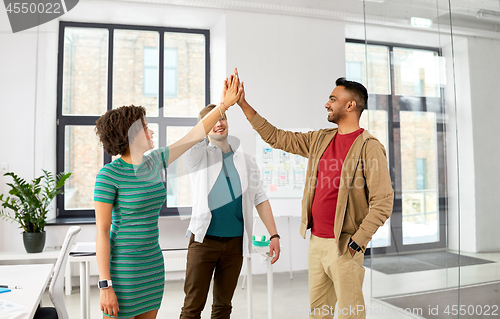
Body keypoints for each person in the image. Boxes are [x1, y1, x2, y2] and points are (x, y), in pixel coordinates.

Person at [236, 75, 394, 319]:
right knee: (318, 313)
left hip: (344, 245)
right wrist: (243, 104)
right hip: (317, 242)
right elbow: (277, 137)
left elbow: (383, 202)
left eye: (333, 99)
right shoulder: (321, 138)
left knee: (350, 314)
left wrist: (357, 242)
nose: (326, 104)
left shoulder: (369, 146)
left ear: (350, 105)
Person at [93, 71, 242, 319]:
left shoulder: (154, 161)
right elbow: (102, 232)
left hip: (151, 265)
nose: (150, 132)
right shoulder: (109, 175)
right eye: (145, 128)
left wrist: (224, 105)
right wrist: (105, 284)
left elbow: (193, 135)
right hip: (123, 270)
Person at [179, 85, 281, 319]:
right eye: (213, 120)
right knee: (192, 307)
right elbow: (194, 137)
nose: (219, 123)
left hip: (234, 244)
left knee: (224, 306)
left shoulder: (246, 160)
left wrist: (274, 235)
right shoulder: (198, 156)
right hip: (204, 242)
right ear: (205, 128)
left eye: (223, 118)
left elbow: (260, 198)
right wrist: (222, 105)